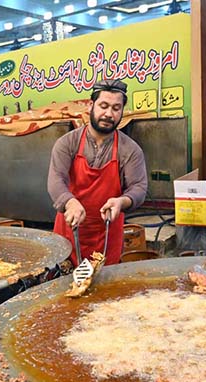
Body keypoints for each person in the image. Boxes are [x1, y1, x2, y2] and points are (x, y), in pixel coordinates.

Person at [47, 79, 148, 265]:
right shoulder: (67, 143)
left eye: (116, 108)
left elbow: (139, 187)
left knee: (106, 289)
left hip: (108, 234)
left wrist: (121, 201)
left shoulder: (130, 150)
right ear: (91, 105)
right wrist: (69, 203)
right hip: (70, 231)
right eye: (104, 106)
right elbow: (56, 180)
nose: (109, 114)